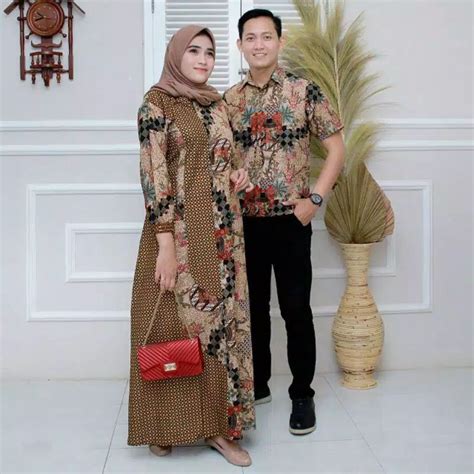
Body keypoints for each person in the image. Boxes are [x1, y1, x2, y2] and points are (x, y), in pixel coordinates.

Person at [128, 25, 255, 467]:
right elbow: (154, 175)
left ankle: (219, 430)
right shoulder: (156, 104)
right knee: (172, 327)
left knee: (223, 329)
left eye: (210, 53)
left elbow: (224, 160)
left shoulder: (216, 103)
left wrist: (238, 174)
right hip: (178, 234)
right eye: (194, 51)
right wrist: (165, 244)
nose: (203, 60)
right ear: (176, 55)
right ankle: (164, 426)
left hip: (224, 234)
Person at [224, 9, 345, 435]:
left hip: (292, 221)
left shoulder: (304, 91)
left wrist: (315, 200)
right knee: (252, 310)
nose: (259, 44)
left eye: (266, 36)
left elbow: (336, 148)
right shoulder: (228, 100)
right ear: (240, 45)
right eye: (250, 37)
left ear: (280, 41)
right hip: (245, 223)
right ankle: (256, 387)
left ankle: (302, 395)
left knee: (296, 310)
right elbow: (218, 159)